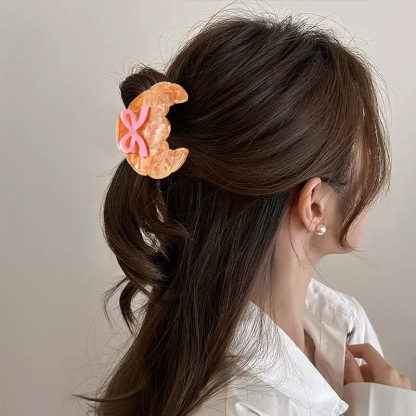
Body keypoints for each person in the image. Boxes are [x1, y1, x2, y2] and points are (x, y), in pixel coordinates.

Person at [74, 11, 416, 416]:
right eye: (365, 152)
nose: (374, 174)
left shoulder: (342, 322)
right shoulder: (241, 407)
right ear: (314, 205)